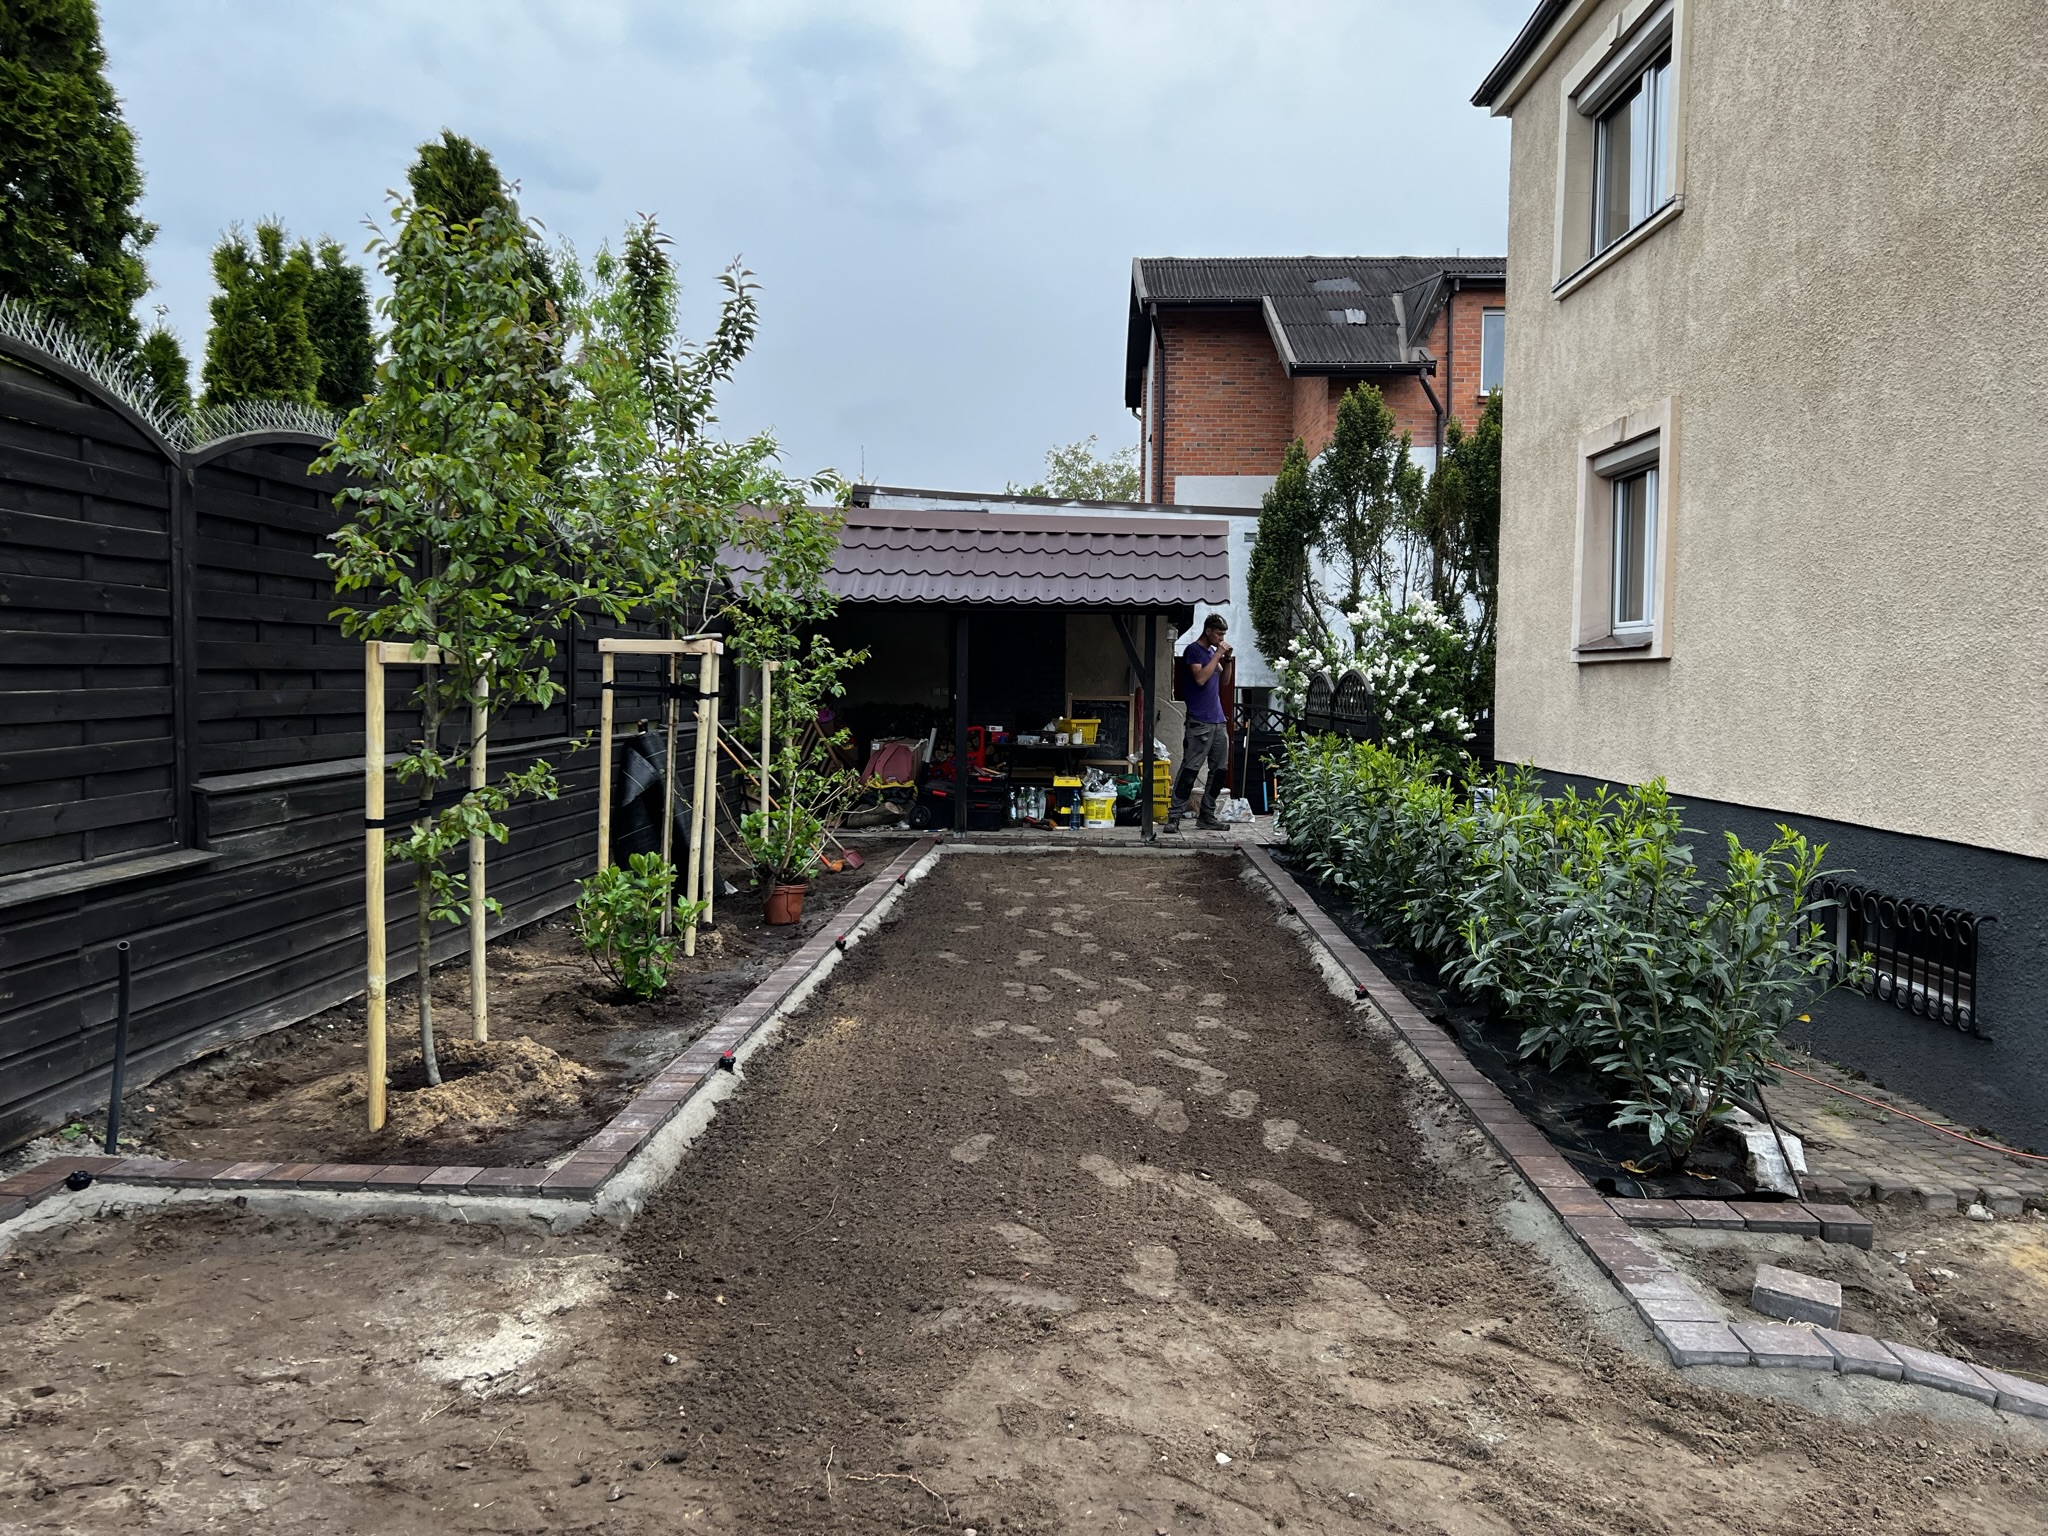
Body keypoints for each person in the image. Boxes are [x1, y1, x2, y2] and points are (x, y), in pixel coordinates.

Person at [1168, 614, 1232, 831]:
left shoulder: (1213, 653)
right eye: (1219, 634)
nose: (1222, 638)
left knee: (1219, 770)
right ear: (1208, 631)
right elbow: (1200, 678)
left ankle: (1207, 815)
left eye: (1223, 634)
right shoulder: (1194, 650)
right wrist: (1219, 654)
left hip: (1218, 720)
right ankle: (1174, 816)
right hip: (1199, 721)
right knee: (1190, 769)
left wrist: (1227, 659)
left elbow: (1224, 680)